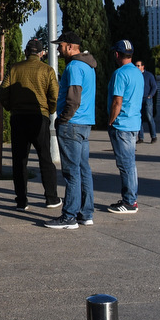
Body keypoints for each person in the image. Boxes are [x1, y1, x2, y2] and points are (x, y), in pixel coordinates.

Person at [0, 38, 60, 211]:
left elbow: (2, 93)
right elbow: (54, 94)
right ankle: (51, 198)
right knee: (45, 158)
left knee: (19, 160)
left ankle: (21, 200)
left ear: (26, 52)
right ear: (41, 54)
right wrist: (49, 110)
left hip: (18, 118)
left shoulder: (15, 69)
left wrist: (12, 107)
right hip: (40, 118)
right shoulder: (47, 70)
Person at [46, 30, 96, 230]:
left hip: (72, 124)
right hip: (85, 124)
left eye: (60, 45)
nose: (58, 48)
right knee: (84, 169)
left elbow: (74, 98)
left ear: (69, 46)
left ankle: (69, 217)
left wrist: (63, 119)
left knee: (71, 172)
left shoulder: (74, 66)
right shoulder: (89, 66)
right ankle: (86, 213)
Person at [106, 40, 142, 214]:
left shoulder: (120, 74)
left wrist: (111, 120)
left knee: (125, 164)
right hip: (134, 122)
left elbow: (117, 101)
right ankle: (130, 198)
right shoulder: (138, 73)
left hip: (122, 124)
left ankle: (129, 201)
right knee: (130, 164)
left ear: (117, 54)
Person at [135, 59, 157, 144]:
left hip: (147, 99)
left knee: (149, 117)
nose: (137, 67)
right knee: (138, 118)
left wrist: (150, 95)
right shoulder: (135, 76)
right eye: (136, 65)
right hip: (138, 99)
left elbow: (154, 86)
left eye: (138, 65)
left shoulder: (149, 75)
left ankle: (154, 136)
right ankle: (140, 137)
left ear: (142, 66)